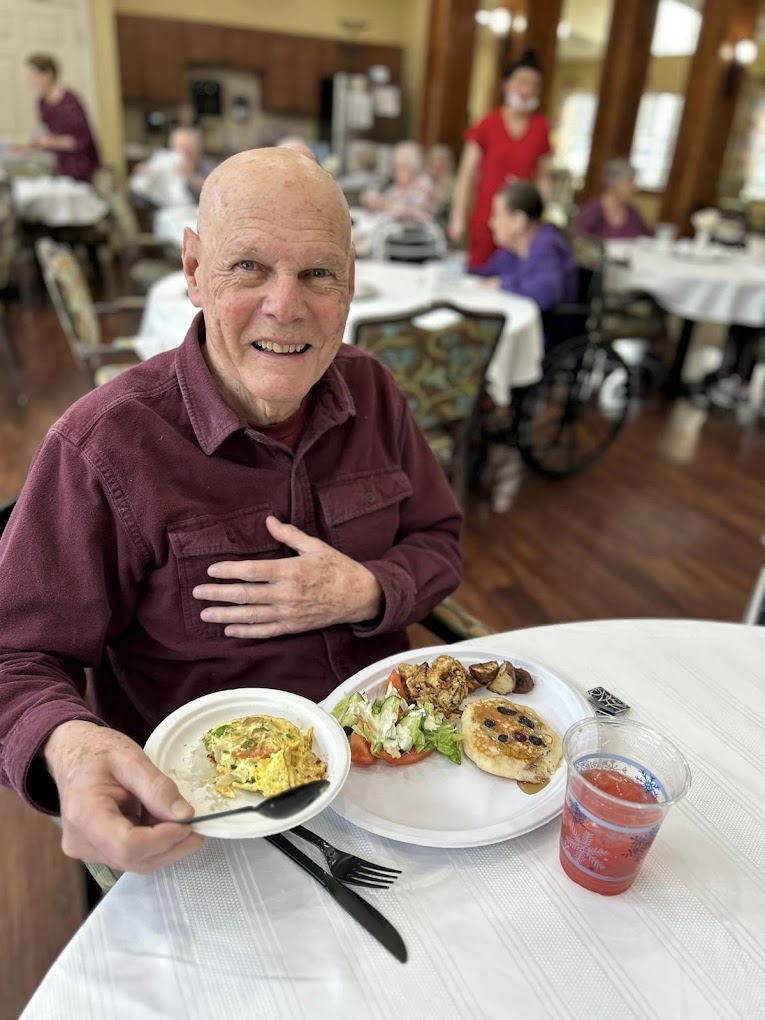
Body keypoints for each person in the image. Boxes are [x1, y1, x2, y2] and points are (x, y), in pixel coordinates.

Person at [0, 148, 462, 880]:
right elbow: (13, 657)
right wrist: (72, 745)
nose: (285, 306)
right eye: (248, 266)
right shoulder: (103, 446)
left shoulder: (373, 391)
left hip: (388, 767)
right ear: (193, 269)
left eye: (319, 273)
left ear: (349, 281)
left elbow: (439, 539)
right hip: (207, 816)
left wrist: (368, 590)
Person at [449, 50, 552, 270]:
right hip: (487, 220)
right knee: (480, 277)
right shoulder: (487, 123)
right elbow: (467, 174)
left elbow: (543, 179)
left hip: (521, 227)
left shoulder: (541, 127)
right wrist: (457, 216)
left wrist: (539, 218)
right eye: (522, 82)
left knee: (515, 280)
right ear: (506, 84)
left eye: (534, 85)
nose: (527, 90)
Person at [472, 181, 578, 313]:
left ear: (518, 221)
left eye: (497, 215)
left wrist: (501, 284)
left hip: (546, 324)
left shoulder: (547, 246)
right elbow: (488, 273)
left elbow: (546, 294)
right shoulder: (513, 249)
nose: (491, 223)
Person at [22, 52, 100, 183]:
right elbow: (45, 131)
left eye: (34, 75)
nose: (31, 80)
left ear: (48, 75)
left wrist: (52, 142)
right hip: (58, 165)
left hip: (79, 165)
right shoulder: (42, 102)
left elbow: (82, 140)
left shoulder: (69, 101)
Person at [130, 127, 215, 207]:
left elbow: (215, 191)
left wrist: (190, 176)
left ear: (198, 150)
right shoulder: (164, 163)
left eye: (189, 150)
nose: (185, 155)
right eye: (181, 149)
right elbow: (140, 196)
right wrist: (147, 174)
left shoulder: (207, 166)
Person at [574, 158, 652, 241]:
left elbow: (649, 238)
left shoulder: (633, 213)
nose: (634, 188)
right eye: (630, 182)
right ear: (614, 183)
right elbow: (576, 237)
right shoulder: (593, 210)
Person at [361, 141, 435, 221]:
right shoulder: (398, 185)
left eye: (399, 167)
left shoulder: (423, 184)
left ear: (412, 168)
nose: (394, 172)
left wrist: (387, 206)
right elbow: (386, 203)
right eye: (394, 167)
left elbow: (421, 215)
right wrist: (374, 202)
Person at [426, 144, 456, 226]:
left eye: (438, 163)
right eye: (431, 162)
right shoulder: (425, 182)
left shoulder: (453, 186)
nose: (434, 167)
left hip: (444, 227)